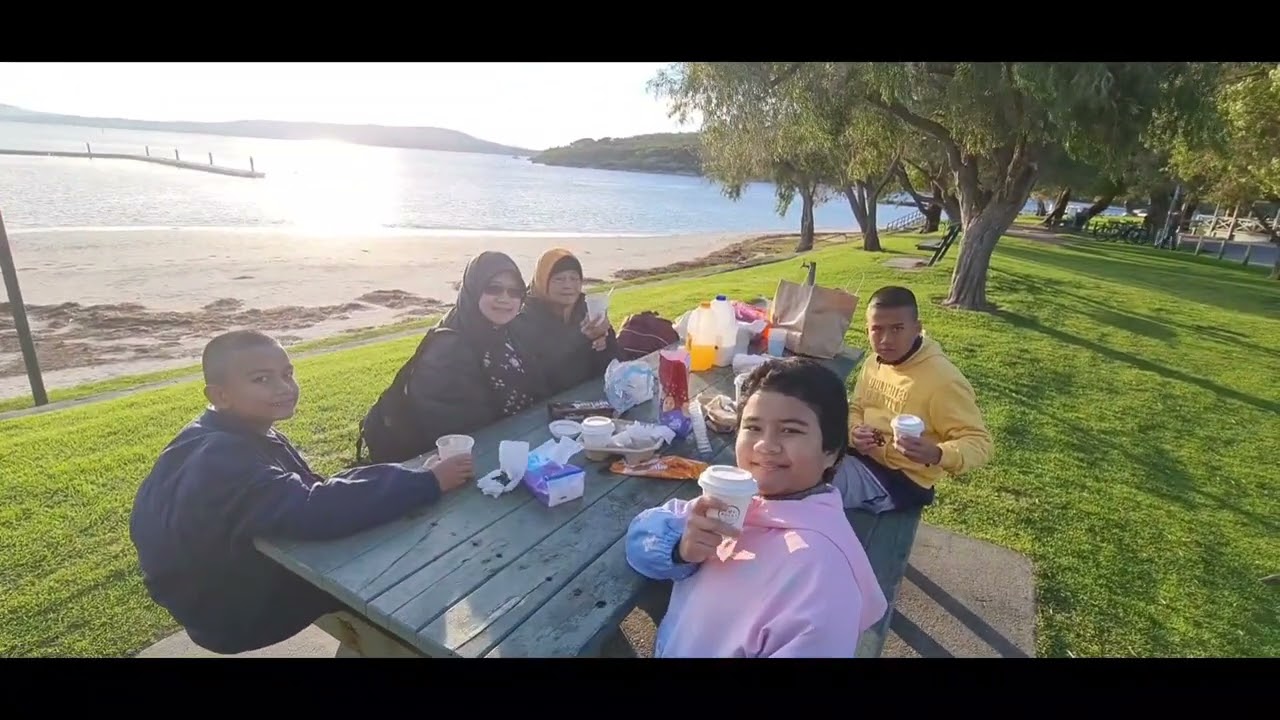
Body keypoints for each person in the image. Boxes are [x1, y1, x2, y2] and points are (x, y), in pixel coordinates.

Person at [129, 329, 474, 655]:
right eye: (261, 379)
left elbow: (307, 488)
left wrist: (404, 477)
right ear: (220, 395)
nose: (284, 387)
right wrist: (427, 482)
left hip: (216, 584)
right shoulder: (222, 458)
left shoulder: (224, 431)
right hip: (229, 613)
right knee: (398, 574)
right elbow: (315, 507)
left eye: (287, 373)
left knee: (380, 534)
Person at [624, 357, 888, 658]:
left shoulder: (822, 576)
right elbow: (639, 537)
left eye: (790, 430)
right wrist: (679, 549)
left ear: (831, 452)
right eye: (753, 427)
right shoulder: (743, 504)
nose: (765, 445)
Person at [358, 251, 551, 464]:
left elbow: (536, 379)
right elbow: (456, 431)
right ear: (473, 289)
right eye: (493, 288)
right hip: (446, 461)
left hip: (509, 442)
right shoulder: (448, 348)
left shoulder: (506, 331)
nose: (505, 298)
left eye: (514, 291)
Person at [836, 285, 994, 514]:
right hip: (858, 455)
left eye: (897, 328)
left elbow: (980, 441)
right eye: (877, 329)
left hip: (899, 480)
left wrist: (938, 453)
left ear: (917, 329)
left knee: (810, 487)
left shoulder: (943, 381)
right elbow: (858, 407)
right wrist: (855, 431)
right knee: (794, 456)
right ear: (867, 330)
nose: (886, 340)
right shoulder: (874, 362)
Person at [522, 247, 618, 393]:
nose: (568, 285)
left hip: (591, 401)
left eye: (574, 278)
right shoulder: (525, 320)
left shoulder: (586, 311)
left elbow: (616, 366)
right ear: (542, 281)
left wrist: (605, 340)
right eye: (559, 279)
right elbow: (550, 378)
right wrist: (584, 339)